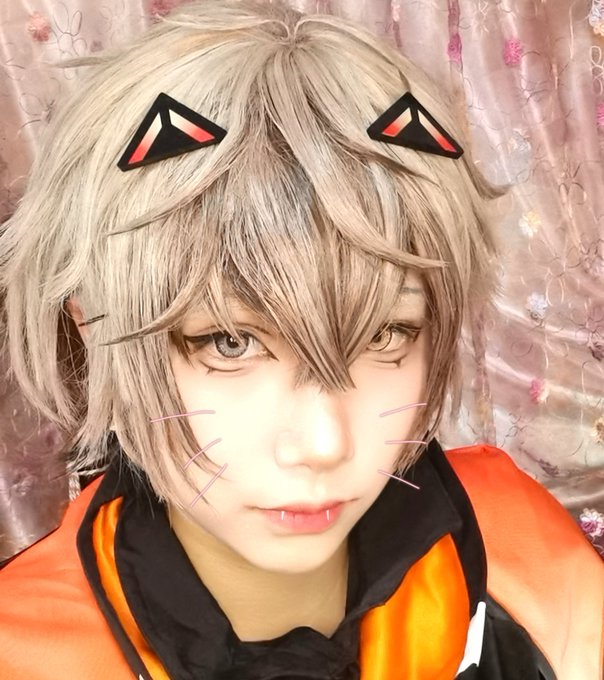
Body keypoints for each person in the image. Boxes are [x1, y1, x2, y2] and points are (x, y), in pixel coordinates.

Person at [0, 1, 602, 678]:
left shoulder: (518, 551)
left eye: (385, 333)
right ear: (92, 329)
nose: (322, 444)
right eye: (230, 342)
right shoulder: (26, 653)